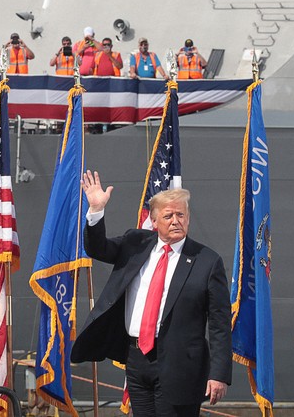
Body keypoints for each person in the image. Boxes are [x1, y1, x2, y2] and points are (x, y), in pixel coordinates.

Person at [70, 171, 232, 416]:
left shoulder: (207, 261)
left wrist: (218, 374)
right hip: (137, 360)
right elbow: (98, 249)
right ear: (154, 222)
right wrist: (96, 210)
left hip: (181, 365)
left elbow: (220, 323)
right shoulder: (135, 243)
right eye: (168, 216)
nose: (176, 221)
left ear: (188, 218)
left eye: (181, 215)